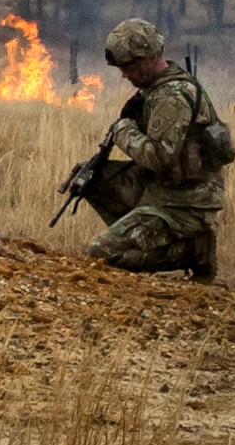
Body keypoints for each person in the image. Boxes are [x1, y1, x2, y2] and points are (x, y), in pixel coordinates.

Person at [81, 17, 224, 280]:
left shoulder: (170, 96)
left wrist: (123, 131)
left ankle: (193, 250)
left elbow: (160, 158)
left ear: (146, 58)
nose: (124, 75)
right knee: (92, 178)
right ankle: (144, 236)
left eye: (128, 67)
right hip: (165, 188)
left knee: (101, 253)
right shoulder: (154, 90)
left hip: (185, 200)